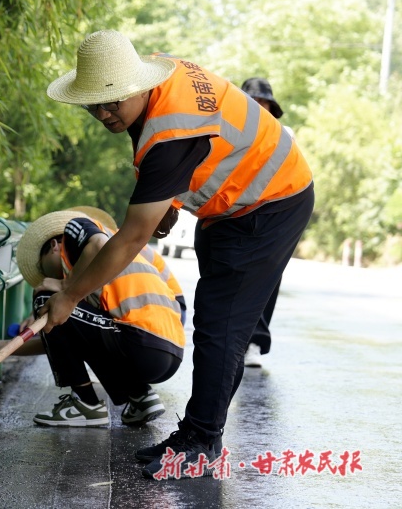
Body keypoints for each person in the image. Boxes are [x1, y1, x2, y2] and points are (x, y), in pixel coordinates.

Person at [42, 30, 314, 479]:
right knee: (219, 324)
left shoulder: (170, 133)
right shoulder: (155, 77)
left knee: (221, 326)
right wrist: (169, 201)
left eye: (112, 102)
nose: (103, 114)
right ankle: (196, 434)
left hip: (269, 202)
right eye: (93, 105)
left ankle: (201, 443)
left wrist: (69, 296)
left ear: (137, 85)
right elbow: (192, 150)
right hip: (230, 205)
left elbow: (132, 237)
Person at [15, 207, 186, 428]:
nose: (45, 276)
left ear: (54, 245)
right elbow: (72, 340)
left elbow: (98, 244)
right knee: (69, 312)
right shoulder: (97, 275)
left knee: (46, 299)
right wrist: (3, 348)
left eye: (41, 266)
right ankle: (140, 395)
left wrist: (64, 286)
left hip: (141, 342)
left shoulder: (76, 227)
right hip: (169, 351)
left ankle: (85, 404)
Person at [239, 77, 291, 368]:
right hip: (234, 213)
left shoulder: (285, 135)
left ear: (271, 106)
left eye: (263, 101)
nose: (258, 105)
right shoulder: (229, 130)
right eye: (253, 100)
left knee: (267, 278)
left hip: (274, 214)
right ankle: (232, 341)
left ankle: (255, 342)